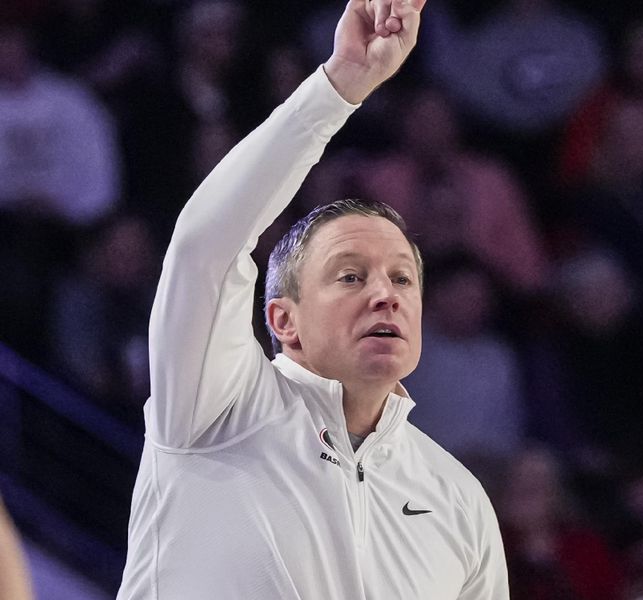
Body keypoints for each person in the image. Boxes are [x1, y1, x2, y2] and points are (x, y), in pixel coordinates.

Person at [117, 1, 509, 598]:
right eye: (351, 276)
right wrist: (340, 86)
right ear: (284, 320)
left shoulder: (457, 499)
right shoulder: (217, 406)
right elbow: (205, 247)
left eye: (403, 279)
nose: (385, 294)